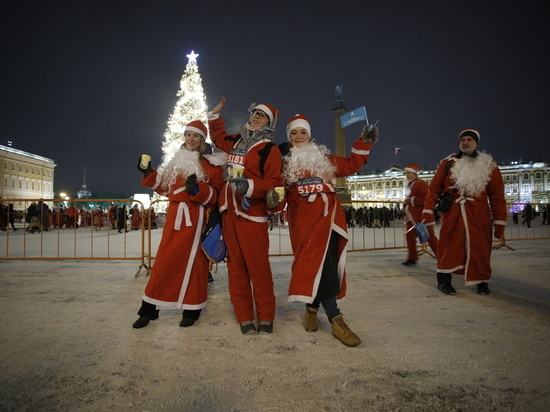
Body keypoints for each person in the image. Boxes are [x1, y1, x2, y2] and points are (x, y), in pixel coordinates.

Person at [279, 114, 379, 347]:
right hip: (303, 224)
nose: (299, 136)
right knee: (317, 264)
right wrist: (271, 198)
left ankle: (312, 309)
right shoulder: (283, 162)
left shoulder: (324, 158)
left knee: (326, 265)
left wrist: (364, 141)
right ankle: (335, 318)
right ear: (289, 137)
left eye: (303, 132)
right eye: (294, 133)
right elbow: (275, 195)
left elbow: (351, 164)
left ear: (310, 134)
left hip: (329, 220)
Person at [133, 120, 224, 329]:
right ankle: (149, 309)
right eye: (188, 135)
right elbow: (165, 188)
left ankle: (192, 310)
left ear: (202, 140)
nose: (191, 139)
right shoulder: (176, 160)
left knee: (195, 264)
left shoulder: (211, 163)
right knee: (165, 261)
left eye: (196, 136)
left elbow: (217, 195)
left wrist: (197, 190)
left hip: (197, 217)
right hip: (175, 217)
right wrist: (148, 173)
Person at [208, 97, 283, 335]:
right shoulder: (237, 141)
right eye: (255, 114)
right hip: (229, 211)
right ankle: (243, 316)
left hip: (252, 213)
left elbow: (274, 182)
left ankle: (266, 315)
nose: (256, 117)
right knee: (236, 268)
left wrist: (249, 186)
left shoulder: (269, 149)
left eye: (262, 116)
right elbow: (218, 139)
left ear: (268, 123)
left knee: (258, 268)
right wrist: (215, 116)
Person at [422, 129, 507, 295]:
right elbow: (433, 190)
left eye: (469, 140)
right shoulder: (447, 163)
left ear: (476, 143)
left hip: (479, 213)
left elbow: (497, 194)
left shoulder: (488, 164)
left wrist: (499, 220)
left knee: (481, 247)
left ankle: (482, 281)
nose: (465, 143)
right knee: (449, 246)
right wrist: (427, 210)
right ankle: (444, 280)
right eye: (462, 140)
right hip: (454, 212)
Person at [402, 164, 438, 266]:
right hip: (412, 217)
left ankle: (443, 258)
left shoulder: (421, 184)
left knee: (430, 238)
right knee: (409, 236)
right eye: (406, 173)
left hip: (421, 218)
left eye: (409, 173)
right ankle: (412, 258)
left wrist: (410, 201)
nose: (407, 175)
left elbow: (426, 199)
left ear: (415, 174)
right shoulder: (410, 185)